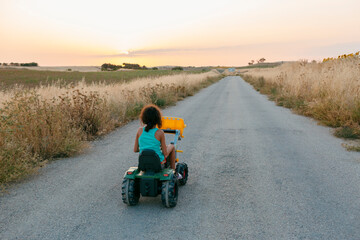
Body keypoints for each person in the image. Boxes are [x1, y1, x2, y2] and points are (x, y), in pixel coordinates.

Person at [134, 104, 182, 178]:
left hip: (143, 163)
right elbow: (165, 153)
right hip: (157, 164)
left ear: (143, 118)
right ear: (158, 119)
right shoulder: (160, 133)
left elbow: (135, 150)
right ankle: (174, 172)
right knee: (172, 146)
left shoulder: (140, 131)